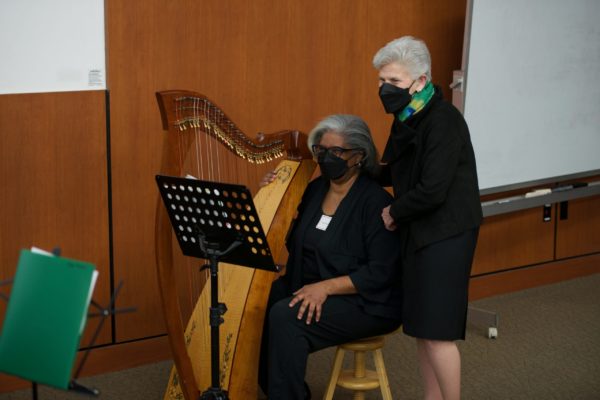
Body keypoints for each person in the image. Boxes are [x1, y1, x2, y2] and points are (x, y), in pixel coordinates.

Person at [258, 114, 403, 400]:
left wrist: (326, 288)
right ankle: (286, 390)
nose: (326, 158)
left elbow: (380, 273)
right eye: (321, 151)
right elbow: (292, 239)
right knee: (259, 302)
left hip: (365, 301)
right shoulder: (314, 190)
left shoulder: (377, 203)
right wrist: (272, 191)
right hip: (309, 282)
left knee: (285, 316)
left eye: (336, 152)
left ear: (359, 156)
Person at [372, 36, 483, 400]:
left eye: (395, 82)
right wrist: (354, 167)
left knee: (438, 334)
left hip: (446, 232)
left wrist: (394, 211)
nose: (385, 89)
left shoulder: (443, 120)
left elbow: (433, 189)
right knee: (423, 329)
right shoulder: (410, 114)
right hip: (420, 230)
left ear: (420, 81)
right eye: (382, 80)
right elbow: (401, 171)